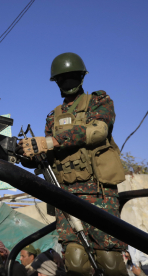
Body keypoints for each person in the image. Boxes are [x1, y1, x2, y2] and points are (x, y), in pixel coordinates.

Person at [19, 52, 127, 276]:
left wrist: (50, 141)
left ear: (81, 77)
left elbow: (98, 131)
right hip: (66, 196)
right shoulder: (53, 117)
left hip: (98, 194)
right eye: (62, 78)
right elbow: (47, 157)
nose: (67, 82)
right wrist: (28, 153)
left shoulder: (98, 101)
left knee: (110, 259)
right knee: (76, 262)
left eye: (72, 76)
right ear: (56, 82)